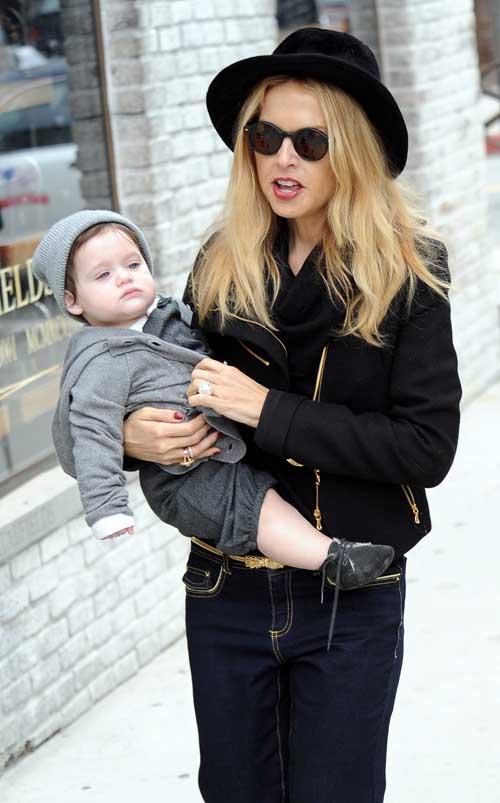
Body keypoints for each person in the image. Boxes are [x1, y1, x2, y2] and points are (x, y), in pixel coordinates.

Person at [124, 27, 462, 803]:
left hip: (353, 587)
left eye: (310, 140)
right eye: (266, 135)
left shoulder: (412, 271)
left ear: (350, 151)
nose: (284, 158)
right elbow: (163, 387)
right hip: (225, 587)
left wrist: (268, 409)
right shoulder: (223, 259)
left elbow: (426, 446)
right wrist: (129, 439)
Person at [32, 209, 394, 596]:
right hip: (183, 478)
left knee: (263, 498)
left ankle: (332, 553)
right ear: (72, 302)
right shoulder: (102, 361)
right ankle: (334, 558)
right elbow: (92, 432)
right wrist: (108, 507)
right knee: (254, 509)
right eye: (102, 275)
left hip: (221, 449)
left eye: (133, 264)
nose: (123, 277)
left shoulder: (172, 316)